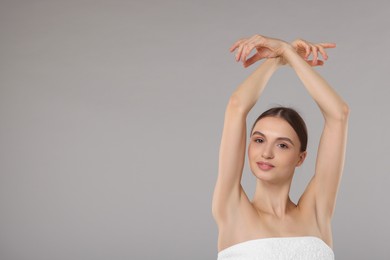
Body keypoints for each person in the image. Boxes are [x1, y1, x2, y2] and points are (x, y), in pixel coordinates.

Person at [212, 34, 349, 260]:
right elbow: (236, 105)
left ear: (300, 157)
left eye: (283, 145)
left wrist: (289, 55)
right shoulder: (232, 208)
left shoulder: (316, 211)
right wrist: (280, 57)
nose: (266, 153)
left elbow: (339, 114)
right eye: (258, 140)